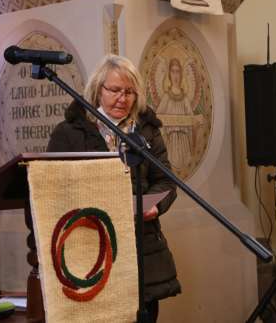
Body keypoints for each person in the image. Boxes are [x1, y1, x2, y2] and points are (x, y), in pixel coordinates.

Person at [47, 54, 181, 321]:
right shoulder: (70, 131)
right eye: (116, 90)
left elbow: (166, 179)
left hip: (141, 244)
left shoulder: (146, 130)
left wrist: (154, 206)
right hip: (90, 243)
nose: (123, 98)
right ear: (98, 89)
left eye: (130, 92)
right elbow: (54, 187)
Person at [156, 58, 194, 174]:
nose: (175, 75)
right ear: (169, 74)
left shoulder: (185, 99)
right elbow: (157, 118)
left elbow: (192, 119)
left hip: (184, 140)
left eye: (178, 71)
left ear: (181, 74)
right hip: (171, 140)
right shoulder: (167, 97)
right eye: (173, 71)